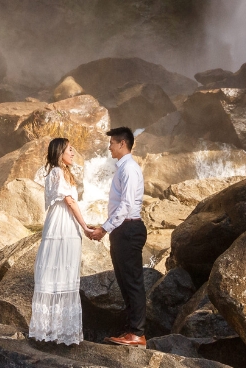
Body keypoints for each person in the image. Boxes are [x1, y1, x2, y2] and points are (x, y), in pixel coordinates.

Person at [30, 137, 95, 345]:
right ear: (60, 153)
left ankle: (53, 329)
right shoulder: (58, 172)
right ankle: (59, 331)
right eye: (69, 149)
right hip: (63, 225)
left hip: (59, 223)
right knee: (63, 271)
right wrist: (85, 227)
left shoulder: (57, 172)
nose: (73, 152)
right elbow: (70, 201)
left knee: (58, 272)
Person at [88, 126, 146, 347]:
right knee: (125, 282)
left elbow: (126, 205)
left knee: (132, 282)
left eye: (112, 143)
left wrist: (104, 229)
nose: (109, 146)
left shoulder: (129, 168)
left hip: (129, 229)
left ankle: (138, 333)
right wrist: (106, 225)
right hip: (123, 229)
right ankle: (131, 330)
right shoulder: (123, 168)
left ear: (122, 144)